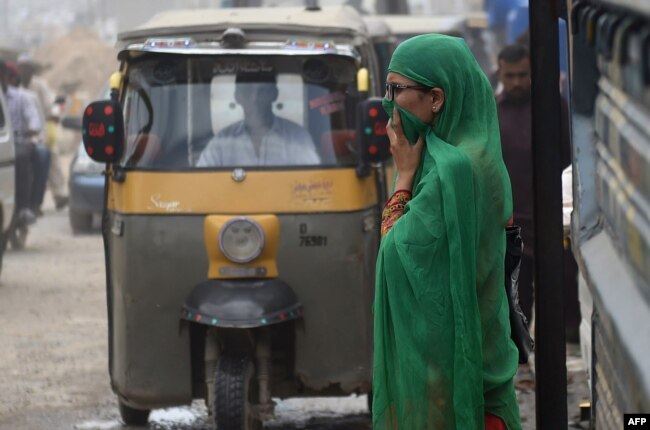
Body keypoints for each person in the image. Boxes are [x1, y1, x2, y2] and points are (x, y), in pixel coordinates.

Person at [373, 34, 521, 429]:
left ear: (436, 98)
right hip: (487, 361)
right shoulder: (482, 154)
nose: (387, 103)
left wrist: (404, 176)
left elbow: (393, 255)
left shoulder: (451, 170)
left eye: (396, 89)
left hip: (455, 384)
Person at [495, 44, 573, 337]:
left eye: (522, 75)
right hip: (510, 222)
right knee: (516, 297)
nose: (516, 82)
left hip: (551, 219)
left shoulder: (553, 107)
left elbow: (569, 159)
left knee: (560, 291)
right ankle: (521, 358)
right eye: (510, 75)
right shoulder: (494, 113)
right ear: (500, 72)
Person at [197, 72, 320, 167]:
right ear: (237, 96)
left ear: (274, 94)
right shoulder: (221, 142)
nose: (254, 99)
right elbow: (201, 182)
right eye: (247, 91)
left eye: (262, 91)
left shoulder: (297, 137)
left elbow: (312, 179)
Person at [17, 54, 68, 212]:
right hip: (21, 135)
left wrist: (54, 116)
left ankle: (58, 195)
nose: (23, 72)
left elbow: (50, 106)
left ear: (31, 70)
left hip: (41, 131)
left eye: (26, 68)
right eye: (21, 68)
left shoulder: (39, 85)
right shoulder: (15, 87)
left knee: (52, 158)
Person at [0, 59, 43, 225]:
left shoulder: (21, 97)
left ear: (7, 77)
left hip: (17, 142)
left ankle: (24, 207)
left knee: (20, 156)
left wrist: (31, 131)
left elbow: (34, 121)